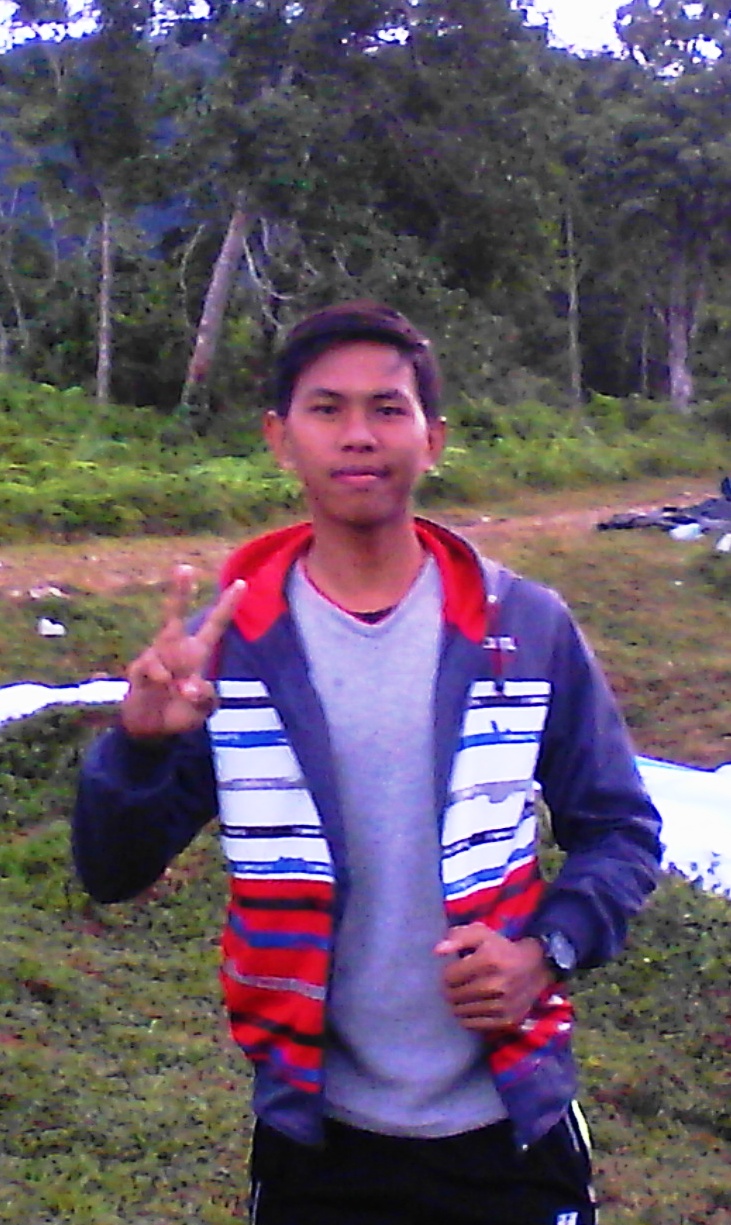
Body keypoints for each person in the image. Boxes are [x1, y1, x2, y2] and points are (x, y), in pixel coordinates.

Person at [73, 300, 662, 1225]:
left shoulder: (523, 627)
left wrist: (542, 953)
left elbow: (620, 828)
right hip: (319, 1140)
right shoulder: (230, 649)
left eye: (388, 408)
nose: (359, 435)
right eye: (327, 408)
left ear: (432, 438)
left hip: (511, 1125)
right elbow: (110, 871)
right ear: (280, 437)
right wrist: (140, 746)